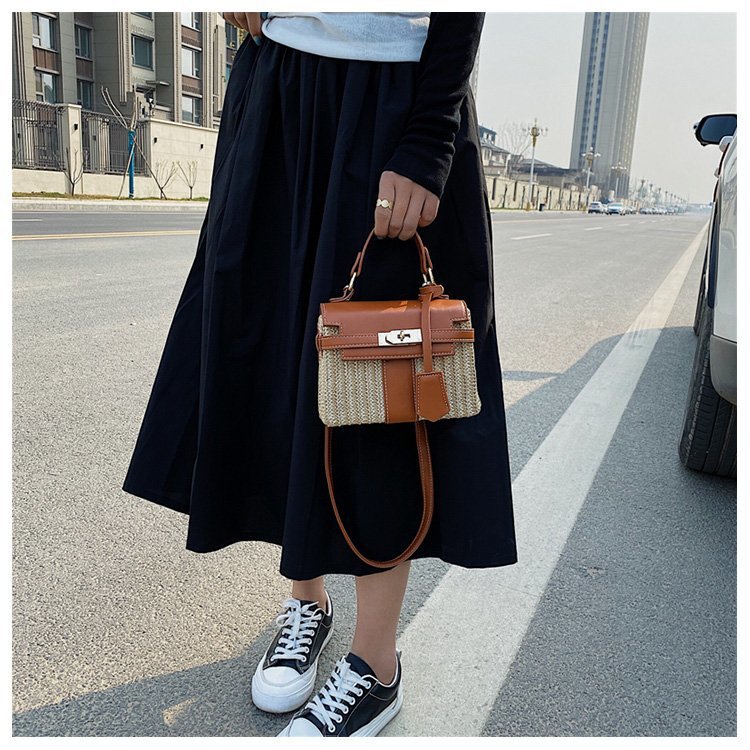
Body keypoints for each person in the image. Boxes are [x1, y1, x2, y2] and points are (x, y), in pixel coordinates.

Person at [121, 11, 517, 737]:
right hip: (279, 86)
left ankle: (376, 663)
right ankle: (307, 599)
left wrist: (430, 137)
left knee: (379, 378)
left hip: (396, 95)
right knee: (275, 361)